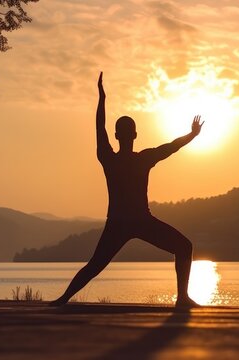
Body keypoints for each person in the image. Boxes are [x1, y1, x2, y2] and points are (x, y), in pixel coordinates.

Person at [50, 72, 203, 308]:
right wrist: (192, 135)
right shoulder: (141, 159)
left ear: (118, 136)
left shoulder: (110, 159)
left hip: (125, 222)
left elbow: (100, 128)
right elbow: (171, 147)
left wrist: (102, 98)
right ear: (134, 135)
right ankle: (182, 298)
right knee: (184, 247)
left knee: (95, 265)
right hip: (134, 221)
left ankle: (62, 299)